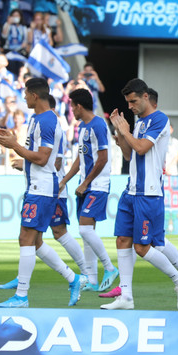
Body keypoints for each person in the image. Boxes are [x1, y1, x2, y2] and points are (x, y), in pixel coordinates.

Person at [0, 78, 84, 308]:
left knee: (26, 238)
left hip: (42, 188)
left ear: (35, 95)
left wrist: (15, 145)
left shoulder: (46, 121)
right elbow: (36, 156)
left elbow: (45, 159)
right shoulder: (37, 119)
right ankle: (73, 279)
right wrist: (16, 148)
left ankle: (22, 296)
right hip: (35, 186)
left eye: (25, 93)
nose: (23, 98)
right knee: (33, 242)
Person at [105, 78, 178, 310]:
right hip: (131, 189)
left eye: (133, 101)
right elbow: (129, 154)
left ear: (145, 96)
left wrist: (126, 131)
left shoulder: (159, 119)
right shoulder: (140, 122)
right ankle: (126, 297)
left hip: (149, 193)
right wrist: (120, 133)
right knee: (122, 240)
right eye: (128, 102)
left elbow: (143, 148)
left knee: (143, 247)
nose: (130, 106)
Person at [57, 88, 119, 293]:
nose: (71, 110)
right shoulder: (83, 127)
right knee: (86, 233)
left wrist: (86, 183)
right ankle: (92, 279)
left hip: (97, 186)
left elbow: (103, 158)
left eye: (72, 106)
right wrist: (65, 180)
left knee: (84, 229)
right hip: (86, 185)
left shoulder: (99, 125)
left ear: (79, 106)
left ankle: (110, 268)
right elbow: (80, 159)